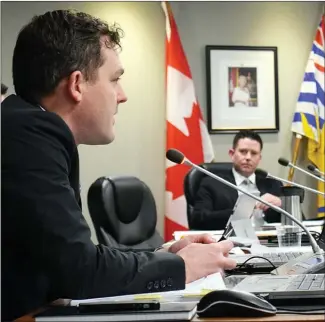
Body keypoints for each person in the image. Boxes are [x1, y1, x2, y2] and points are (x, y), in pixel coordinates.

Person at [1, 10, 237, 321]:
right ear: (76, 84)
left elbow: (66, 258)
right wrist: (184, 267)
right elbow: (77, 271)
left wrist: (160, 256)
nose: (122, 96)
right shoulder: (29, 133)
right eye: (115, 80)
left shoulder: (27, 127)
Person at [192, 130, 283, 230]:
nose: (248, 157)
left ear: (259, 158)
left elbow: (299, 220)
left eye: (254, 153)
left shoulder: (273, 183)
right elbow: (198, 220)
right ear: (232, 154)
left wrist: (282, 205)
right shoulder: (212, 183)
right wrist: (242, 212)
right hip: (228, 242)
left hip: (269, 242)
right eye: (243, 152)